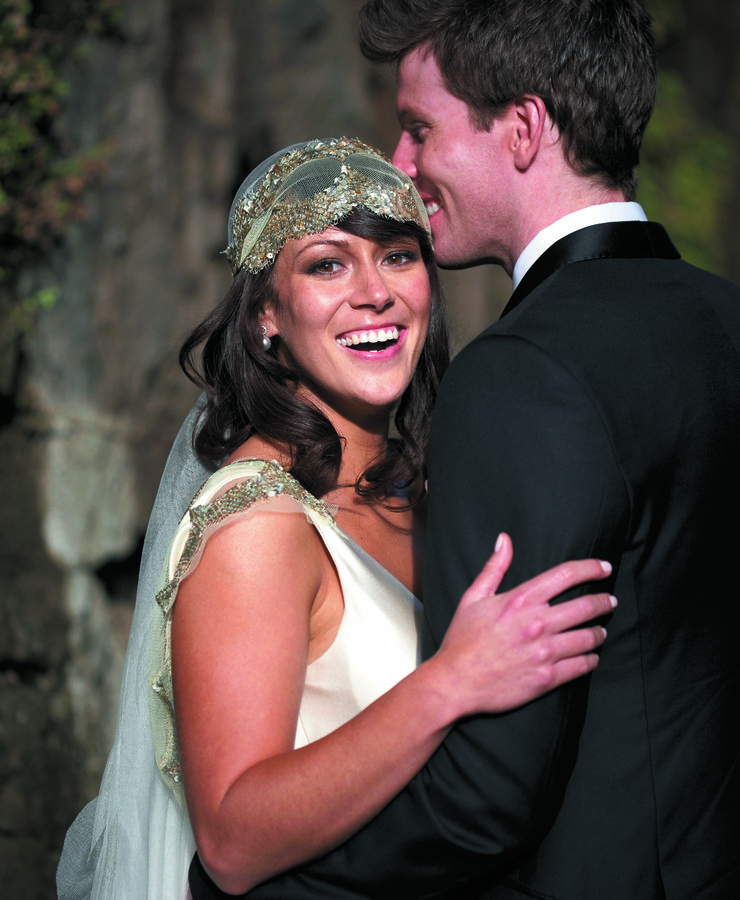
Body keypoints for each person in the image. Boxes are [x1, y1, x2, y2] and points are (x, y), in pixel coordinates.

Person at [230, 2, 738, 899]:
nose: (403, 163)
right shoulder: (723, 322)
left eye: (422, 128)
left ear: (523, 128)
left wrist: (266, 886)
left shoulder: (524, 374)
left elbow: (487, 798)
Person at [56, 137, 615, 900]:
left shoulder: (420, 490)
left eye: (397, 256)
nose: (374, 291)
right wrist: (449, 682)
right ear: (265, 316)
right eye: (326, 263)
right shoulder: (257, 521)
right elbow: (230, 838)